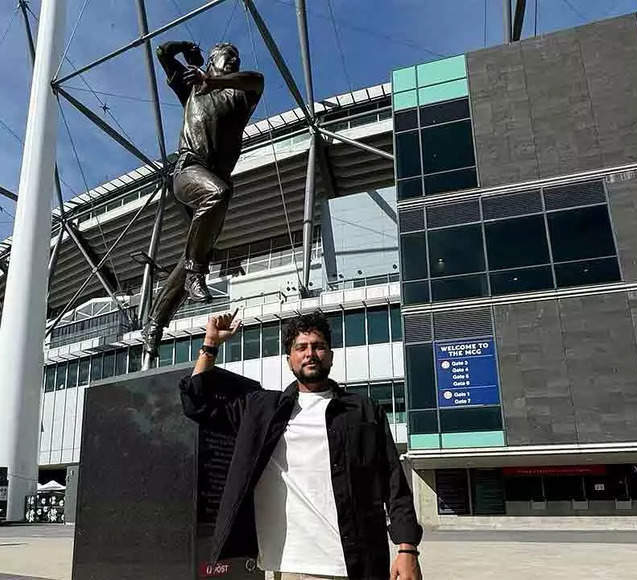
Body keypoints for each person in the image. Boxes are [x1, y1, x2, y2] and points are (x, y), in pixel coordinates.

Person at [179, 310, 423, 580]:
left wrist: (407, 549)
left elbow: (394, 482)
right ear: (289, 360)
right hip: (288, 564)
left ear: (330, 355)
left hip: (354, 563)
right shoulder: (262, 410)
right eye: (301, 347)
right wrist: (210, 344)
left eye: (318, 346)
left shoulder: (363, 411)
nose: (310, 353)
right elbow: (196, 402)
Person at [142, 40, 264, 361]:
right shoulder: (192, 90)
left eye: (237, 57)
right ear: (211, 60)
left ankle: (154, 324)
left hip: (217, 184)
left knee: (191, 255)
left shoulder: (242, 95)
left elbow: (256, 80)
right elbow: (163, 53)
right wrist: (189, 48)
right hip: (189, 172)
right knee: (216, 199)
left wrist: (214, 79)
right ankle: (197, 272)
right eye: (228, 56)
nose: (235, 60)